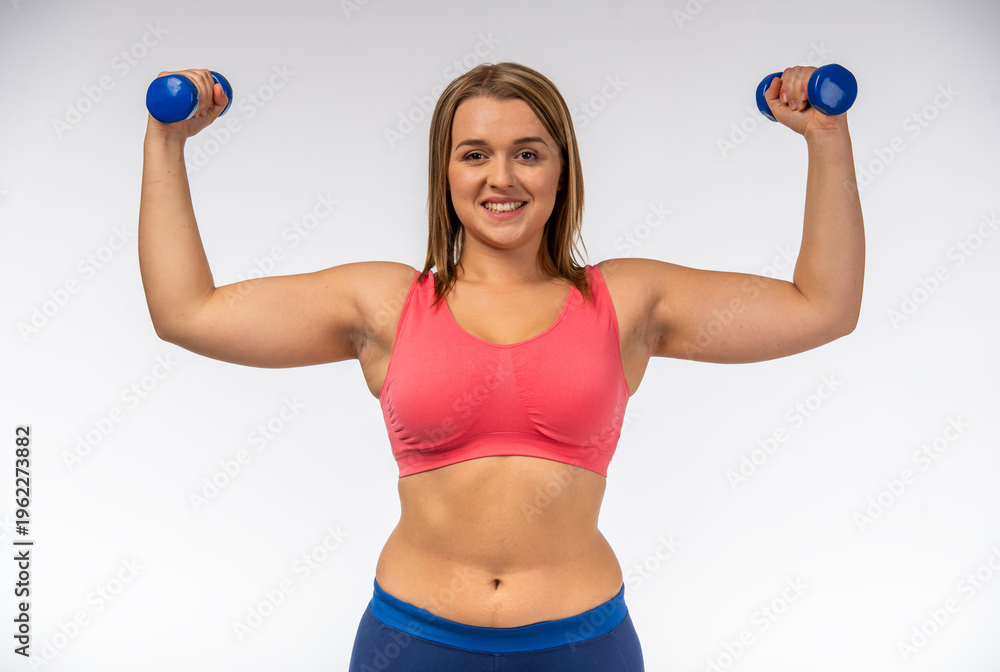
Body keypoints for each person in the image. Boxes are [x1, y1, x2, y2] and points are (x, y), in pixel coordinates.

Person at [139, 61, 863, 670]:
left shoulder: (630, 301)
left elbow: (822, 307)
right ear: (445, 171)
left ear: (561, 168)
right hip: (413, 642)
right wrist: (165, 142)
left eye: (529, 151)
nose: (501, 176)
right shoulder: (388, 303)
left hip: (581, 645)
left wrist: (826, 137)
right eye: (475, 153)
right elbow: (187, 312)